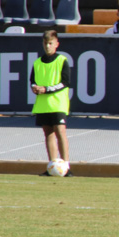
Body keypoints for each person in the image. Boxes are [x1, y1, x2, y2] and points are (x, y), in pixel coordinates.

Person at [30, 30, 72, 176]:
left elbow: (65, 82)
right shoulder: (37, 62)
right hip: (43, 104)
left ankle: (66, 166)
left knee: (60, 131)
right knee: (48, 133)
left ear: (56, 44)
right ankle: (53, 165)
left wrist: (46, 89)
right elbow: (33, 80)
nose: (47, 46)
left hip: (58, 103)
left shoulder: (62, 60)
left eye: (50, 43)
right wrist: (35, 88)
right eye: (45, 43)